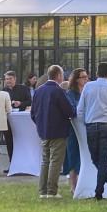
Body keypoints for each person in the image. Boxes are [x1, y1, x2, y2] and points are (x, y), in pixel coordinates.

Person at [78, 62, 107, 200]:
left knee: (96, 159)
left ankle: (100, 191)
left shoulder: (88, 87)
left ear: (96, 73)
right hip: (106, 126)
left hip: (91, 126)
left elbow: (80, 110)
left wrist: (86, 122)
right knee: (103, 160)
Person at [32, 65, 75, 198]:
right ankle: (52, 191)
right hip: (58, 131)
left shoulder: (39, 90)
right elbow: (69, 111)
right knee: (55, 161)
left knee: (45, 161)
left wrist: (40, 125)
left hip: (43, 131)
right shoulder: (58, 91)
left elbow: (33, 113)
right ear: (58, 76)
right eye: (62, 75)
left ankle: (42, 191)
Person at [62, 68, 87, 192]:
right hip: (73, 129)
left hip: (86, 128)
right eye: (83, 77)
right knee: (73, 155)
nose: (86, 79)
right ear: (77, 79)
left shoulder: (87, 91)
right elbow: (72, 110)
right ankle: (73, 185)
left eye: (86, 77)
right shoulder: (70, 93)